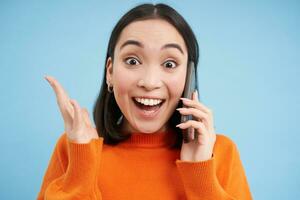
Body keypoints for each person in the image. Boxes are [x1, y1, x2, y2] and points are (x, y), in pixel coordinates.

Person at [37, 3, 252, 200]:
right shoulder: (74, 149)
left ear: (189, 77)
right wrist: (81, 166)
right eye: (132, 61)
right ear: (110, 71)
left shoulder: (221, 152)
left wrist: (200, 173)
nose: (149, 82)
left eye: (169, 64)